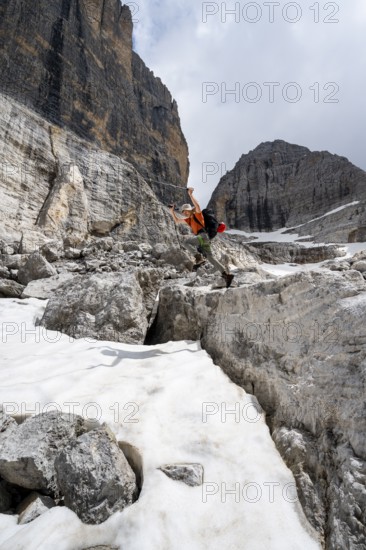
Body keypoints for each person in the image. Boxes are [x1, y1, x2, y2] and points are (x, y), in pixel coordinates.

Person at [170, 187, 234, 288]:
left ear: (189, 210)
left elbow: (197, 205)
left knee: (185, 242)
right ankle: (226, 275)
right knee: (210, 258)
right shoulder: (189, 220)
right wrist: (172, 211)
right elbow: (177, 221)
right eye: (183, 212)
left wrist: (190, 195)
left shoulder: (198, 215)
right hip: (205, 239)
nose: (184, 213)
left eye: (186, 211)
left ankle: (198, 257)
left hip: (202, 236)